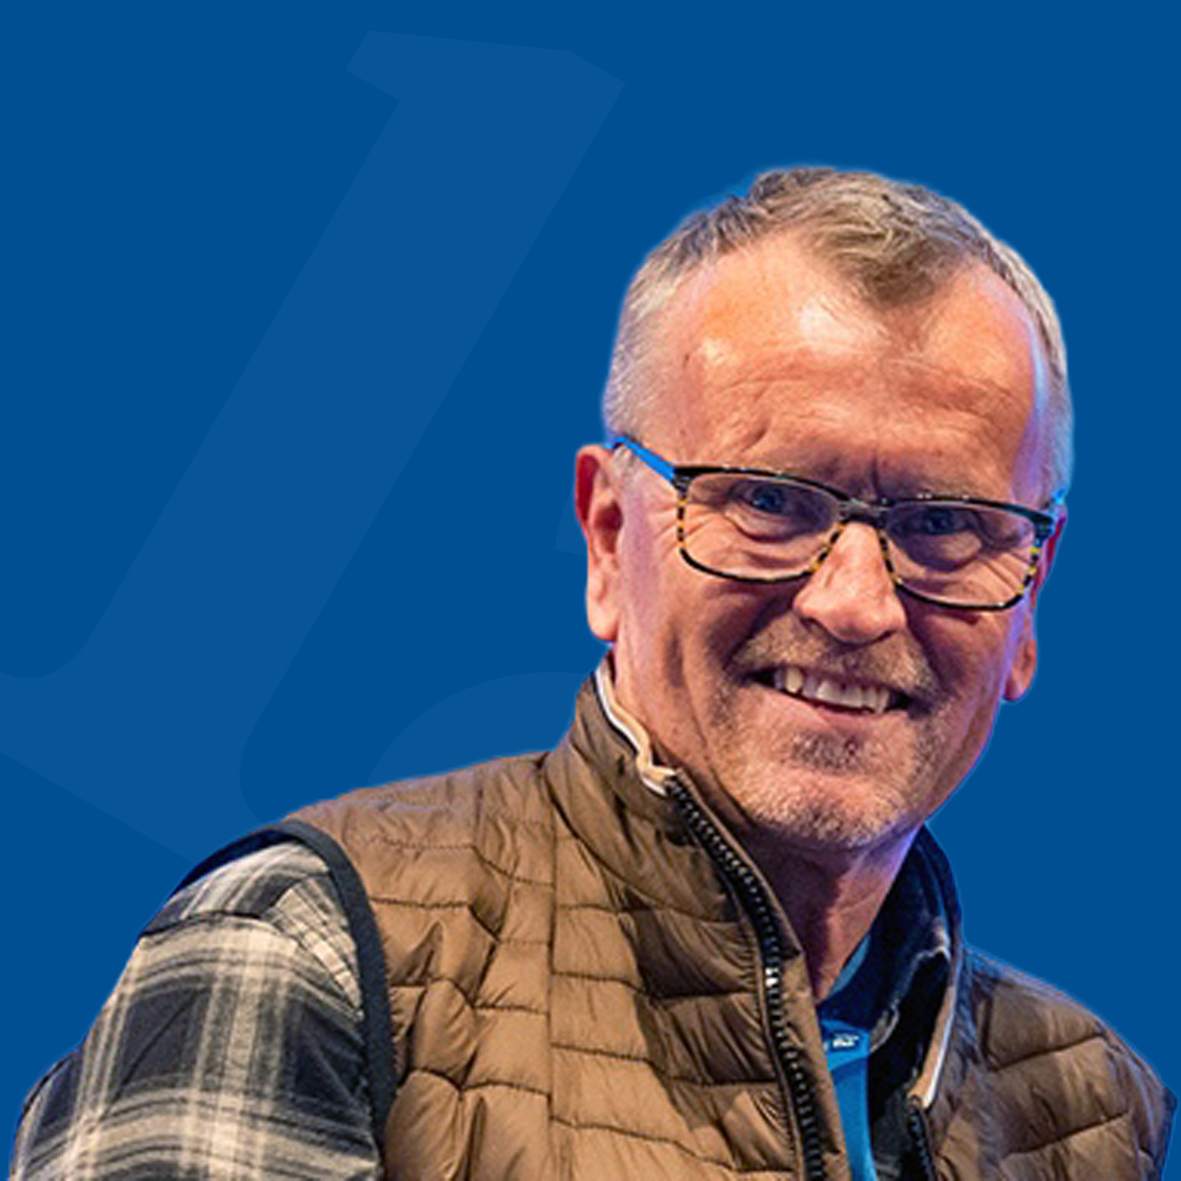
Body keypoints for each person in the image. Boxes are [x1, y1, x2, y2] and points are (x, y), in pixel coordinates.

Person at [11, 167, 1174, 1180]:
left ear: (1030, 594)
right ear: (610, 539)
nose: (855, 602)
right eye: (767, 501)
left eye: (944, 523)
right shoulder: (308, 955)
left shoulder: (1089, 1108)